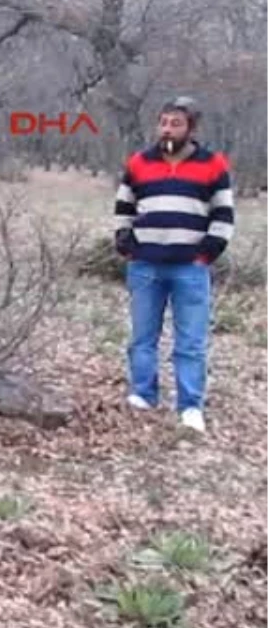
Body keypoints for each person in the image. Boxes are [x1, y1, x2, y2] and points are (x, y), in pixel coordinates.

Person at [113, 95, 236, 433]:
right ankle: (143, 394)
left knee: (191, 341)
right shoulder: (139, 162)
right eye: (163, 122)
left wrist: (206, 253)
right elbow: (124, 207)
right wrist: (125, 242)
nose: (167, 128)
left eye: (175, 123)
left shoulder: (213, 164)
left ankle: (190, 405)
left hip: (190, 267)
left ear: (191, 128)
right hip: (145, 265)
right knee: (142, 337)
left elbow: (224, 215)